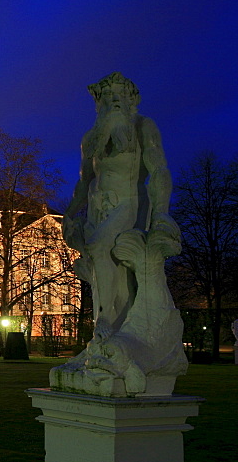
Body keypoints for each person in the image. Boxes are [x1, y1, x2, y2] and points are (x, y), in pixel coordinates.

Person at [63, 72, 179, 338]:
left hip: (130, 203)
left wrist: (161, 212)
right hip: (97, 207)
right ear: (98, 104)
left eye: (119, 95)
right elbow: (84, 181)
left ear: (131, 101)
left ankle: (103, 323)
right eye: (107, 96)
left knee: (100, 246)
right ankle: (121, 332)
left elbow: (160, 170)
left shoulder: (143, 127)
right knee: (115, 271)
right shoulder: (91, 138)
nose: (113, 100)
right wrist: (68, 214)